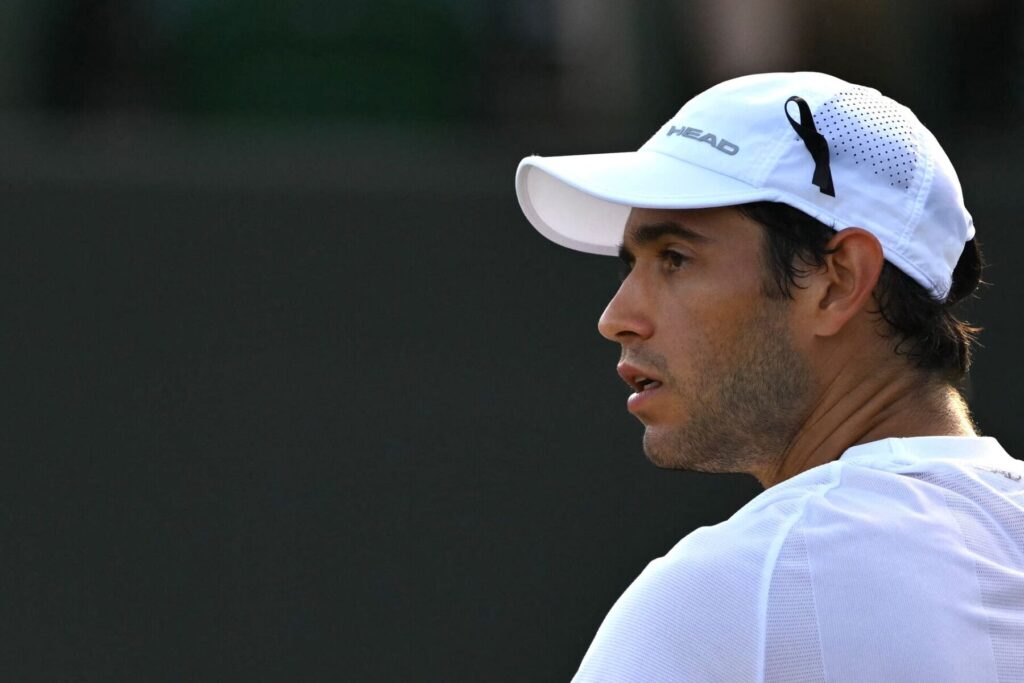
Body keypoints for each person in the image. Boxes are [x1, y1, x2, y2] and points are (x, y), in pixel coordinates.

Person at [515, 72, 1024, 681]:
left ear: (837, 282)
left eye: (675, 259)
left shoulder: (725, 593)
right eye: (631, 266)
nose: (616, 319)